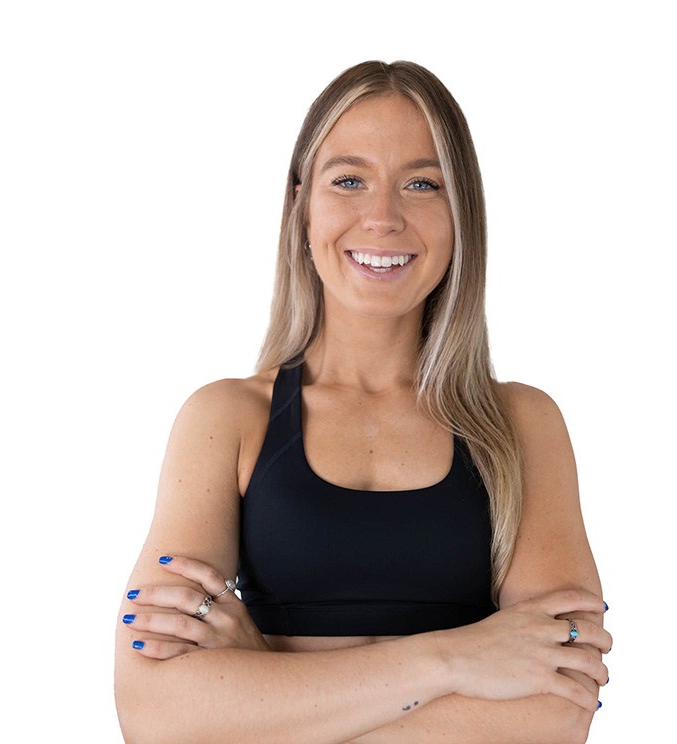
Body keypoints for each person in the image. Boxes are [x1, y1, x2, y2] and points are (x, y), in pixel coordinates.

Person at [114, 60, 611, 744]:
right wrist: (453, 658)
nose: (383, 218)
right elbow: (155, 713)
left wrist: (264, 688)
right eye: (349, 181)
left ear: (461, 213)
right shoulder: (226, 420)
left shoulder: (522, 426)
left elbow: (554, 713)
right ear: (302, 206)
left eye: (422, 184)